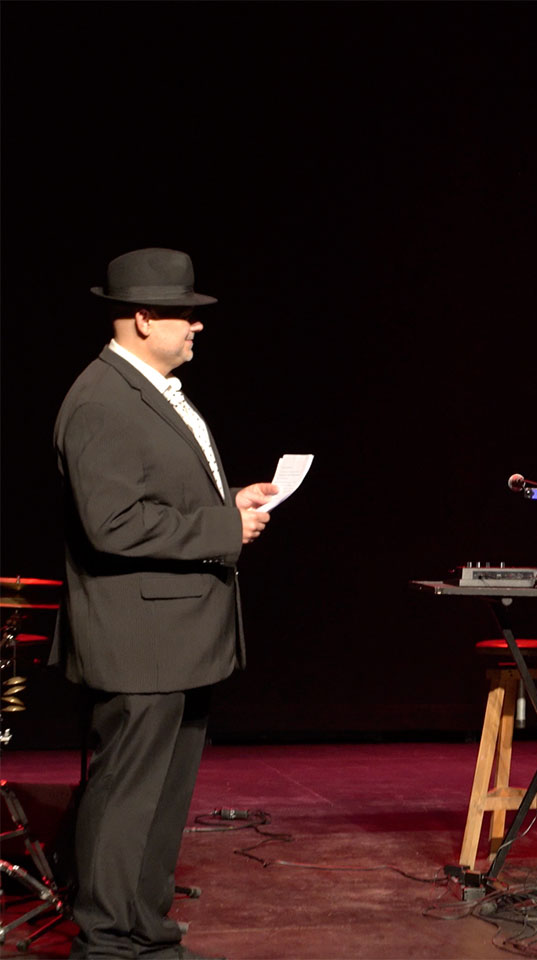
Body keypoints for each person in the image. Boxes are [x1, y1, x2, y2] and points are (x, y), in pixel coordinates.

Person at [53, 248, 278, 958]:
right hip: (139, 638)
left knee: (163, 796)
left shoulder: (147, 391)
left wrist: (227, 503)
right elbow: (112, 524)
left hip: (175, 636)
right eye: (184, 314)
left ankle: (144, 929)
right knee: (127, 795)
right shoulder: (102, 399)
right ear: (145, 319)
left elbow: (156, 496)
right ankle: (107, 939)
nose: (197, 326)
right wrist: (222, 529)